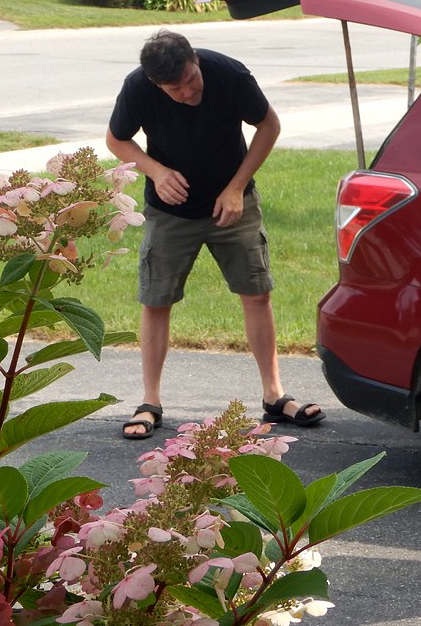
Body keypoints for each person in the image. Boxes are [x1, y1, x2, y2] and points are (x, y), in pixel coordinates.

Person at [107, 29, 324, 439]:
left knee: (257, 293)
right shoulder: (138, 87)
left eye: (192, 79)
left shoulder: (229, 74)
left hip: (233, 204)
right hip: (170, 212)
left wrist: (237, 186)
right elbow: (117, 139)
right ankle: (150, 402)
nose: (188, 92)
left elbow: (269, 126)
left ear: (195, 60)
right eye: (175, 89)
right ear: (156, 83)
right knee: (156, 300)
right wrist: (155, 171)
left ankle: (274, 395)